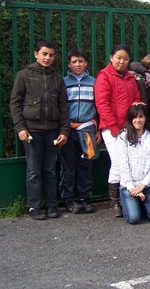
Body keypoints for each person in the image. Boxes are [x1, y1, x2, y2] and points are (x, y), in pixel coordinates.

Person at [10, 40, 70, 220]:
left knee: (50, 170)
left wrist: (64, 131)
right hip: (32, 131)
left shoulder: (57, 78)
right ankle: (34, 206)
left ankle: (52, 205)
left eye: (51, 55)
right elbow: (15, 103)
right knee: (34, 170)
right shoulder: (24, 75)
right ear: (36, 54)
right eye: (44, 54)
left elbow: (63, 107)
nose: (47, 58)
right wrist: (20, 128)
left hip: (52, 130)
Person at [94, 44, 141, 217]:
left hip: (128, 128)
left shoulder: (130, 78)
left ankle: (122, 199)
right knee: (118, 163)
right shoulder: (104, 76)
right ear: (111, 57)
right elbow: (102, 104)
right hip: (111, 128)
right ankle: (115, 201)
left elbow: (136, 99)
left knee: (127, 162)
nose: (122, 62)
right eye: (119, 58)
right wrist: (114, 127)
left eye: (126, 59)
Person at [59, 48, 98, 214]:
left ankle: (84, 198)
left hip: (87, 129)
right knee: (68, 166)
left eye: (80, 61)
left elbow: (99, 106)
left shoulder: (94, 82)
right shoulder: (63, 82)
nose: (78, 65)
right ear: (69, 64)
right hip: (69, 129)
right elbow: (60, 107)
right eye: (74, 62)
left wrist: (97, 128)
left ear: (86, 63)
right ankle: (68, 200)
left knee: (85, 165)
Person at [117, 104, 150, 225]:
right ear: (130, 119)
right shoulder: (123, 136)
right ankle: (130, 202)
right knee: (134, 219)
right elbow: (123, 164)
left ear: (145, 118)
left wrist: (142, 185)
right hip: (129, 186)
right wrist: (132, 188)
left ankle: (141, 203)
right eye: (135, 117)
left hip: (146, 185)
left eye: (141, 117)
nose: (138, 120)